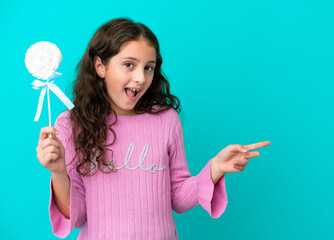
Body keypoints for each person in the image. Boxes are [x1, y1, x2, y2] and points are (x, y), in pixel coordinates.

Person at [36, 17, 271, 239]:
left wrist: (214, 168)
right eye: (129, 64)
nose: (140, 78)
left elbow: (178, 198)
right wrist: (58, 172)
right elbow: (76, 217)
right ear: (100, 66)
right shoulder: (70, 124)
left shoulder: (166, 119)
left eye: (148, 67)